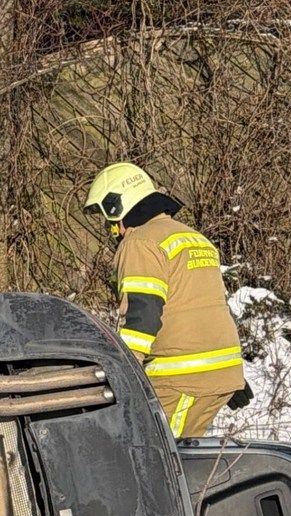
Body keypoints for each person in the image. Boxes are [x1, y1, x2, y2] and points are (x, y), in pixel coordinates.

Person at [82, 162, 249, 438]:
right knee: (184, 459)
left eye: (107, 219)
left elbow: (142, 314)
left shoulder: (140, 242)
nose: (110, 229)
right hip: (222, 374)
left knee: (158, 462)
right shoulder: (195, 238)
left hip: (180, 379)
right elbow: (205, 307)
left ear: (117, 208)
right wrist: (228, 372)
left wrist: (123, 372)